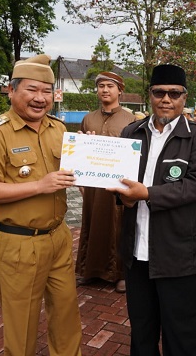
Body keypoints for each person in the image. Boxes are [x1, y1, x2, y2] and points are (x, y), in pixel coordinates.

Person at [0, 54, 83, 355]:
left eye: (47, 91)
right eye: (32, 90)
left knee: (67, 316)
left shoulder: (58, 129)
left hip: (58, 237)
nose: (40, 98)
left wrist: (90, 158)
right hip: (18, 243)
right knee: (21, 328)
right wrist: (38, 186)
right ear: (11, 90)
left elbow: (75, 171)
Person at [107, 64, 196, 355]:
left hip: (177, 254)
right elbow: (120, 180)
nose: (166, 99)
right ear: (150, 95)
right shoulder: (132, 132)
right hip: (136, 253)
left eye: (174, 93)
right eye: (159, 92)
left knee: (180, 334)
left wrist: (147, 193)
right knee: (142, 333)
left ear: (184, 97)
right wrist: (124, 197)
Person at [75, 71, 135, 294]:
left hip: (118, 185)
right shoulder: (88, 118)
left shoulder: (130, 120)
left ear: (120, 90)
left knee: (118, 226)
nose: (105, 90)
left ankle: (120, 274)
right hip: (92, 185)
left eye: (110, 86)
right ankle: (88, 270)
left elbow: (137, 155)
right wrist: (79, 180)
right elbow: (78, 151)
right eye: (101, 86)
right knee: (91, 223)